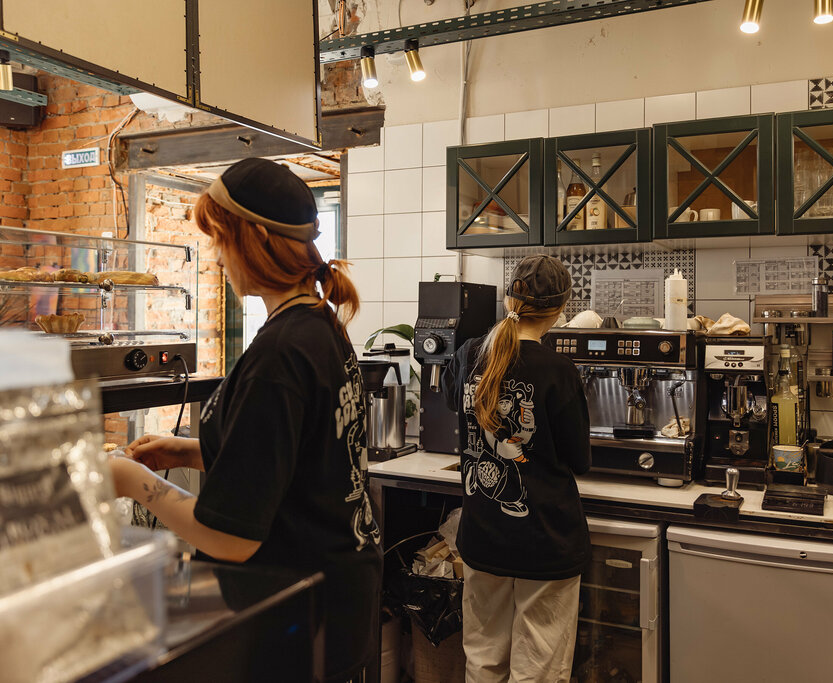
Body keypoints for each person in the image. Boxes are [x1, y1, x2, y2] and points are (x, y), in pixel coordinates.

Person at [109, 158, 381, 682]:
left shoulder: (279, 353)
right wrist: (189, 451)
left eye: (220, 239)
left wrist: (131, 481)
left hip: (293, 611)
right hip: (336, 591)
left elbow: (231, 539)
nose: (216, 256)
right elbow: (293, 456)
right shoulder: (318, 323)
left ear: (253, 239)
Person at [442, 255, 591, 683]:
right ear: (560, 309)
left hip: (483, 536)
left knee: (483, 658)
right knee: (538, 668)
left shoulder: (471, 353)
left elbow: (453, 401)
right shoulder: (558, 369)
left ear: (509, 299)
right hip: (545, 539)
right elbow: (579, 459)